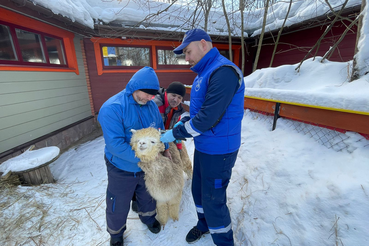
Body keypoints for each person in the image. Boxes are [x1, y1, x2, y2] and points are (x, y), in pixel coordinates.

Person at [160, 29, 245, 246]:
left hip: (220, 151)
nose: (186, 58)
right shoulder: (204, 73)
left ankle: (224, 242)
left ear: (203, 44)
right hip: (206, 147)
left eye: (188, 52)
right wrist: (185, 117)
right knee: (198, 189)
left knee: (214, 199)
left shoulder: (224, 72)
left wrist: (174, 132)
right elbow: (199, 111)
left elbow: (207, 119)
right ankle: (204, 223)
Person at [98, 66, 171, 246]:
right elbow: (115, 146)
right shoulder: (112, 108)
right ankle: (116, 233)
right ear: (134, 88)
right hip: (122, 167)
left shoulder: (151, 106)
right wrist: (145, 158)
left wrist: (166, 148)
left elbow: (159, 131)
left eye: (153, 95)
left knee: (147, 194)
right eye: (147, 94)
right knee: (119, 201)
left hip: (148, 165)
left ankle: (148, 218)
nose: (150, 98)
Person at [130, 81, 190, 212]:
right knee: (145, 166)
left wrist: (173, 142)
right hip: (151, 139)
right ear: (167, 93)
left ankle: (176, 182)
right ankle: (137, 198)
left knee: (176, 158)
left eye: (179, 97)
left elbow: (171, 127)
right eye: (173, 95)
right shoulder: (155, 104)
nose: (176, 99)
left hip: (167, 136)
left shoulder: (179, 109)